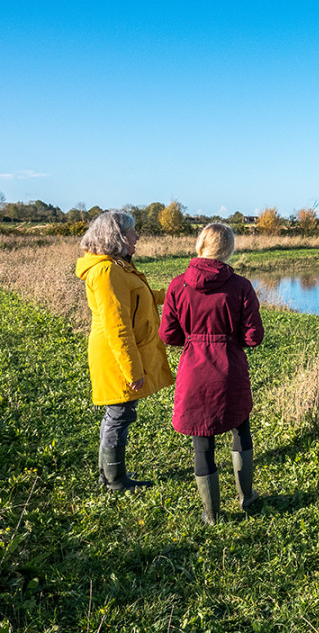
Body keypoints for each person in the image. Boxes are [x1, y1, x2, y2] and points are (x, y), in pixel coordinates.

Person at [159, 223, 264, 525]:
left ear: (200, 245)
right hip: (230, 368)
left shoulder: (178, 285)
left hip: (194, 369)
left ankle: (212, 514)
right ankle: (247, 498)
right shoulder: (241, 286)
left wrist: (193, 340)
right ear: (229, 249)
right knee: (240, 429)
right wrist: (231, 340)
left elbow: (167, 334)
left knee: (202, 443)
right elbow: (254, 336)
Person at [76, 210, 174, 491]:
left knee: (119, 414)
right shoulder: (106, 271)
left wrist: (176, 292)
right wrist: (133, 370)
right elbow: (117, 326)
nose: (137, 237)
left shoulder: (118, 267)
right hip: (114, 355)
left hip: (117, 352)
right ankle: (115, 481)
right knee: (119, 415)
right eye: (133, 232)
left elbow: (143, 297)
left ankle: (108, 477)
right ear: (117, 237)